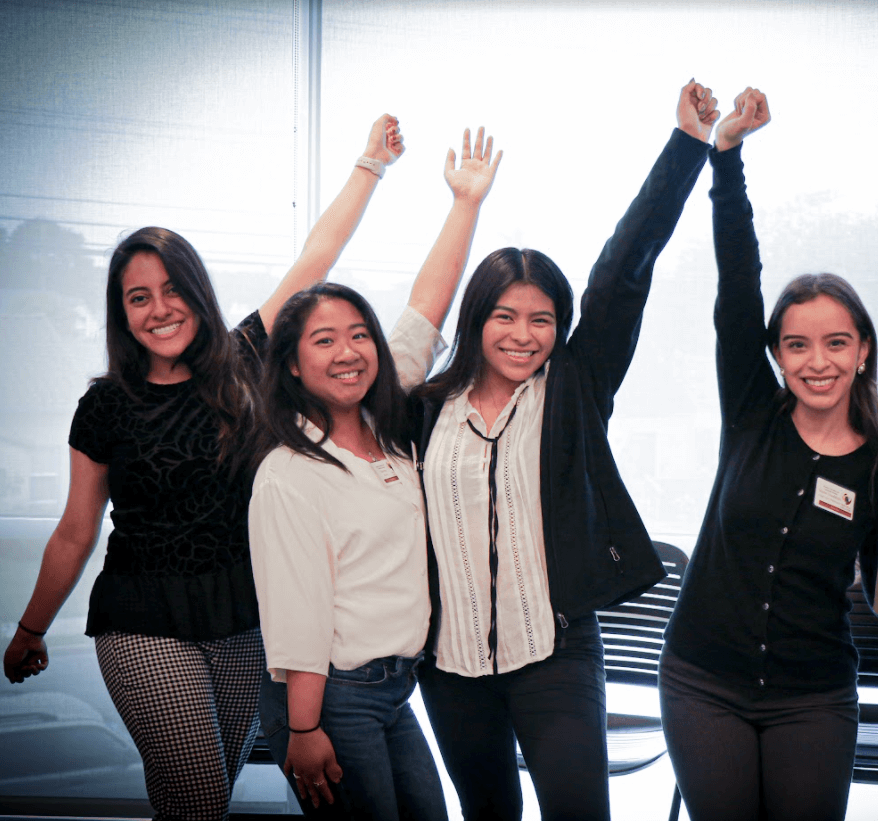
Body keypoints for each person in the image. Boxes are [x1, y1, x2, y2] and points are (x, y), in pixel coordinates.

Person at [2, 114, 404, 819]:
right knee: (193, 795)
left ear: (196, 290)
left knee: (200, 799)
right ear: (122, 314)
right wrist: (33, 627)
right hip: (142, 619)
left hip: (241, 620)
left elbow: (317, 256)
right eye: (139, 297)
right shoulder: (104, 406)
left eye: (172, 288)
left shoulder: (245, 358)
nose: (160, 308)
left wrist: (368, 164)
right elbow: (74, 530)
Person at [386, 81, 717, 821]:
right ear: (477, 320)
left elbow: (623, 271)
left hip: (556, 651)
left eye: (543, 318)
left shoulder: (573, 385)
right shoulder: (423, 408)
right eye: (504, 315)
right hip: (450, 663)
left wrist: (687, 145)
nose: (523, 334)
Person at [248, 127, 501, 819]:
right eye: (323, 340)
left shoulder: (392, 431)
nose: (349, 351)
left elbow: (428, 307)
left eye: (359, 333)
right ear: (293, 365)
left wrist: (466, 204)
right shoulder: (288, 471)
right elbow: (297, 614)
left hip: (395, 688)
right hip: (330, 695)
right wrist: (303, 730)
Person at [658, 88, 878, 821]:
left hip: (813, 697)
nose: (816, 361)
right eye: (797, 344)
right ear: (777, 355)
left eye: (835, 342)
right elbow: (739, 284)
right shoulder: (753, 413)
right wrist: (726, 159)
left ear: (862, 352)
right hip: (702, 681)